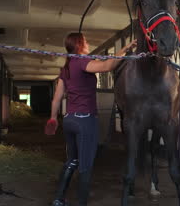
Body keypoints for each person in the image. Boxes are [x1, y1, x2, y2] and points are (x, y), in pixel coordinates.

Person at [49, 33, 137, 206]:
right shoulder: (82, 62)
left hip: (69, 120)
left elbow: (56, 99)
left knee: (72, 160)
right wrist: (125, 50)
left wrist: (53, 118)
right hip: (85, 121)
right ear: (79, 44)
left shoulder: (66, 68)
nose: (88, 43)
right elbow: (107, 66)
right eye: (86, 41)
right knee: (86, 166)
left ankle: (59, 199)